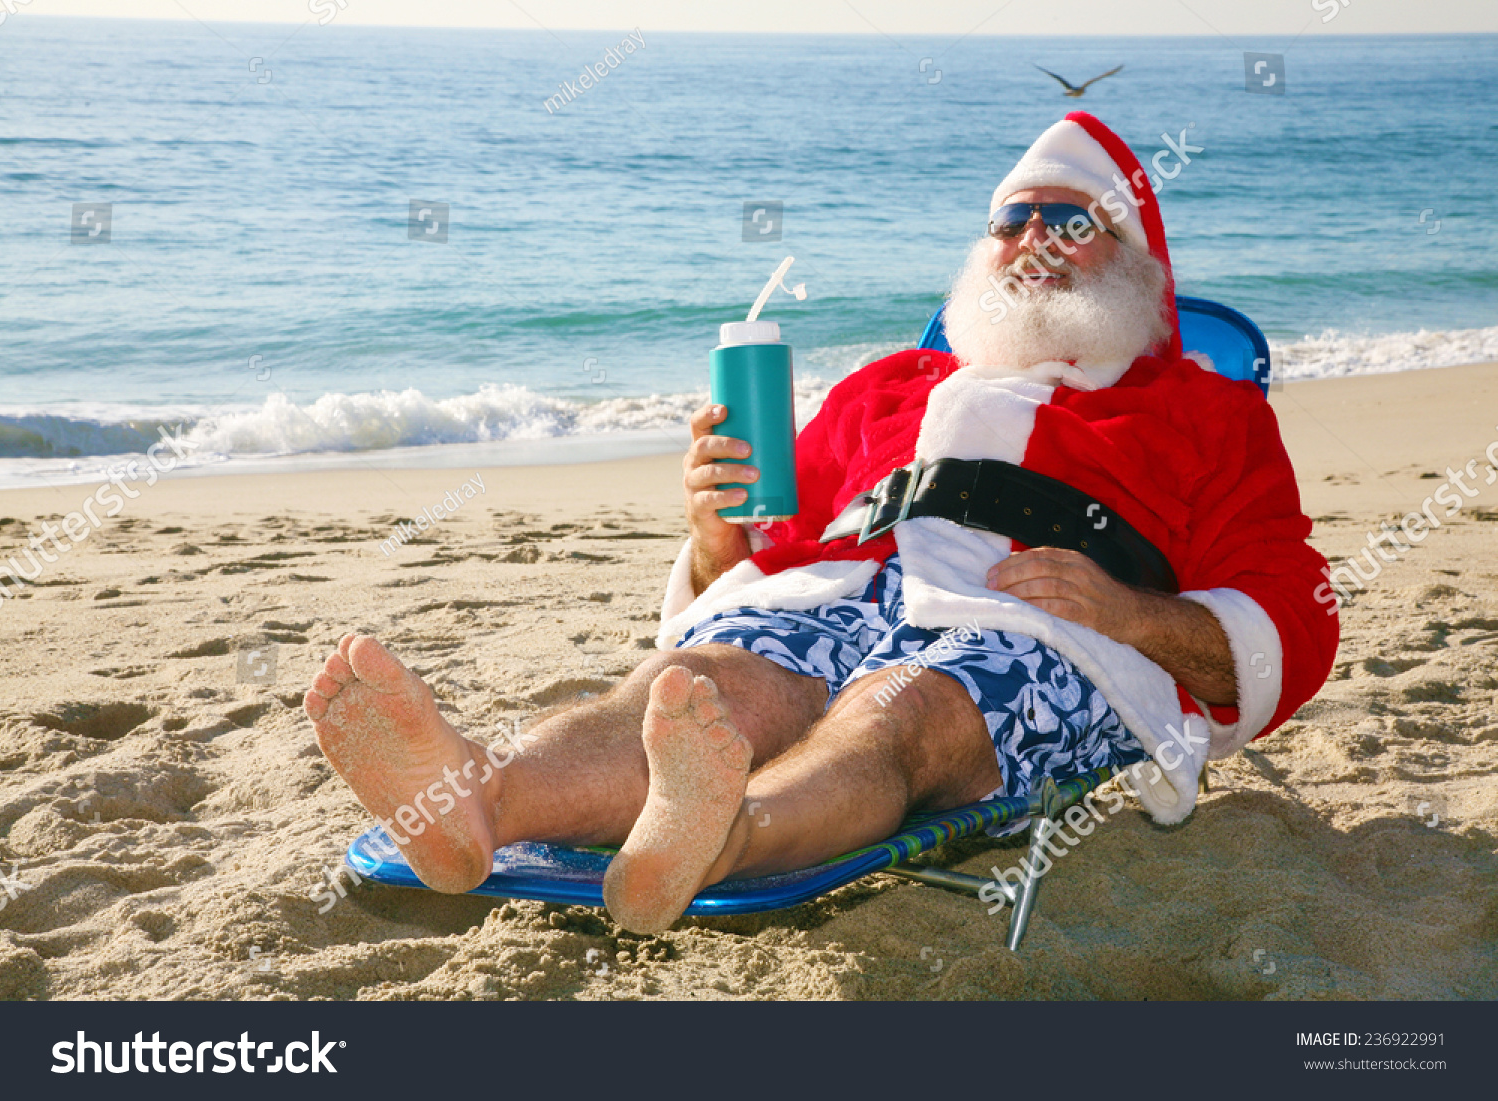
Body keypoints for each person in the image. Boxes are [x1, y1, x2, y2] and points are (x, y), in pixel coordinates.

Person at [304, 112, 1339, 935]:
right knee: (705, 688)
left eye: (1071, 219)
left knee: (902, 709)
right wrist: (716, 535)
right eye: (1013, 217)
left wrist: (1133, 616)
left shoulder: (1207, 412)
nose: (1033, 238)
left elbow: (1293, 614)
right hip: (833, 594)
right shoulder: (891, 383)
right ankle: (483, 800)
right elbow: (763, 553)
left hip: (1040, 622)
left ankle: (721, 836)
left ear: (1132, 257)